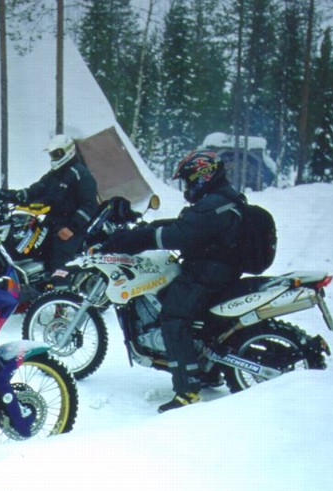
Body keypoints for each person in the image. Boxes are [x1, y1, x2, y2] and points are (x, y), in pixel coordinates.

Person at [95, 150, 243, 413]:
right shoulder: (220, 199)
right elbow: (188, 224)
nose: (186, 187)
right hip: (218, 267)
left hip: (210, 271)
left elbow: (182, 233)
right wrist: (146, 229)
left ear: (202, 176)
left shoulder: (215, 203)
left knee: (173, 317)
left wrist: (135, 239)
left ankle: (187, 390)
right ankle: (206, 371)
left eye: (188, 180)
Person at [0, 134, 98, 271]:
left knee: (57, 259)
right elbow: (36, 189)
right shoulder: (54, 174)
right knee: (26, 247)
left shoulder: (80, 174)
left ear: (68, 151)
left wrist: (72, 227)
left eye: (57, 154)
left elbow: (90, 205)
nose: (54, 158)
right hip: (51, 222)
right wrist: (9, 195)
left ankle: (58, 287)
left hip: (71, 227)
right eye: (52, 155)